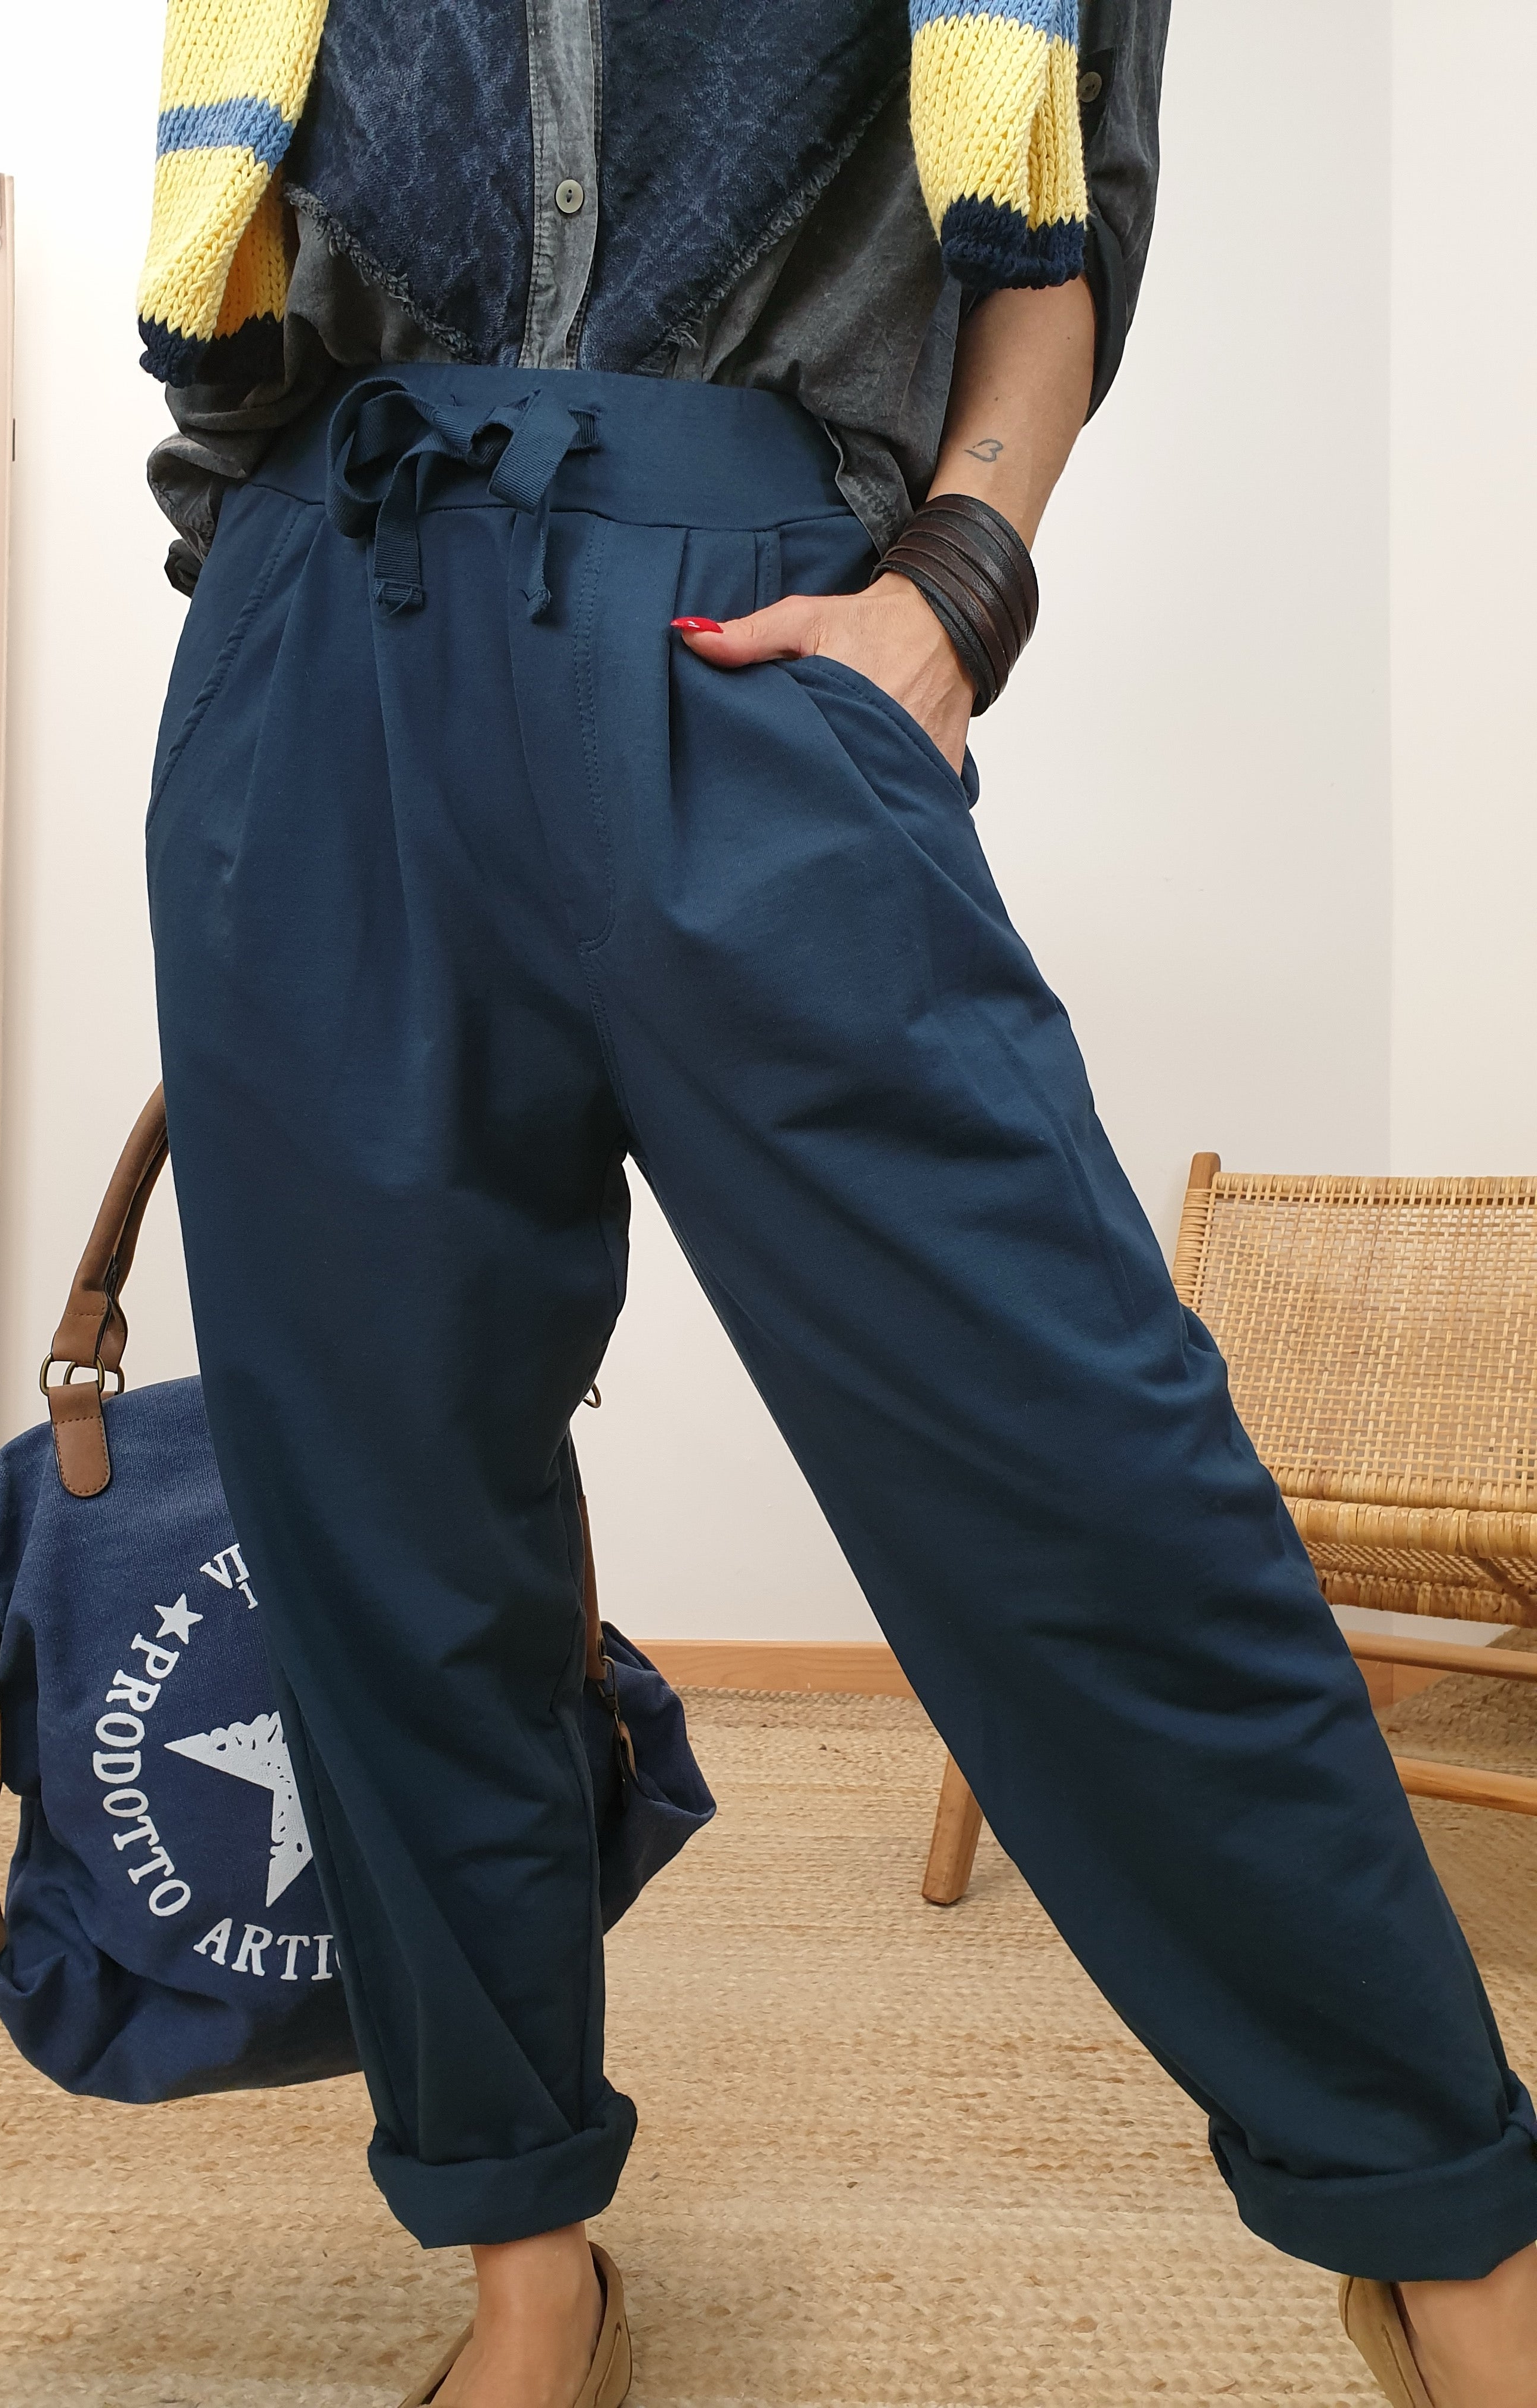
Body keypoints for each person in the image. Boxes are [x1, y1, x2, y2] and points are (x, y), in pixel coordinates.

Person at [135, 4, 1537, 2402]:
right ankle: (526, 2265)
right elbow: (236, 271)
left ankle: (1453, 2234)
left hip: (745, 612)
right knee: (380, 1514)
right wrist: (267, 638)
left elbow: (1061, 212)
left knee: (1077, 1455)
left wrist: (959, 581)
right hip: (331, 620)